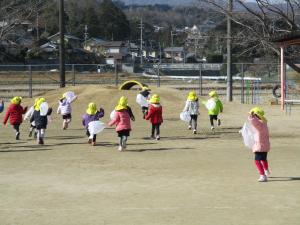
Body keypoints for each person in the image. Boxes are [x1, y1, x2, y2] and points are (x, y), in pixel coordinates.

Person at [248, 107, 270, 182]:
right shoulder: (264, 122)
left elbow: (254, 122)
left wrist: (251, 116)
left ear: (256, 116)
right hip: (265, 145)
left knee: (257, 161)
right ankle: (266, 171)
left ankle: (262, 175)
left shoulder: (259, 125)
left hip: (260, 146)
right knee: (263, 159)